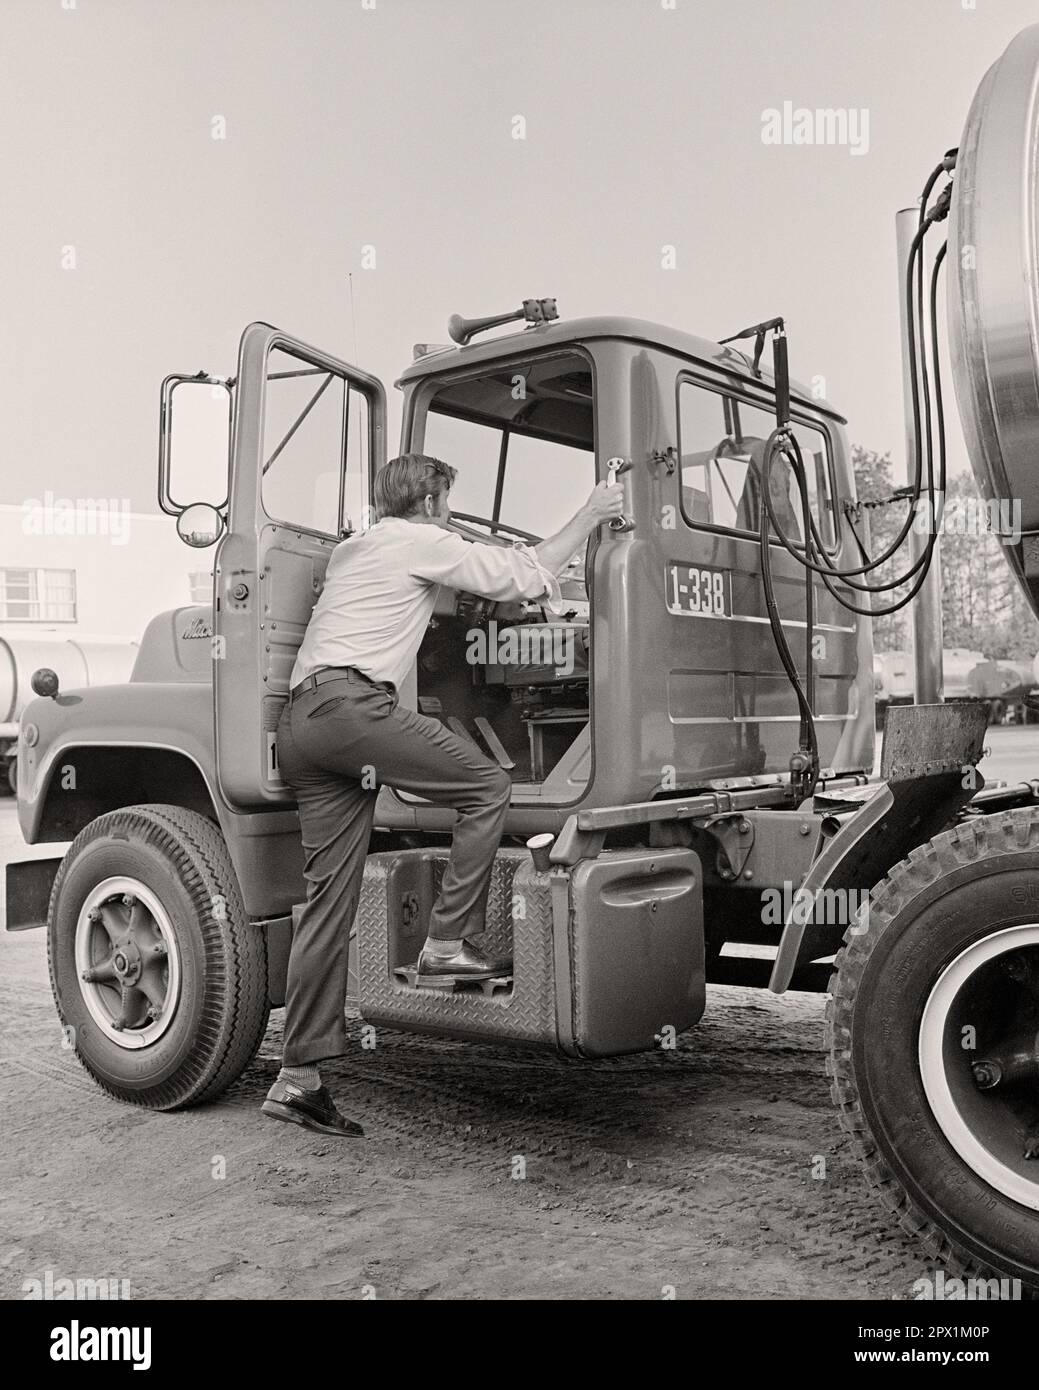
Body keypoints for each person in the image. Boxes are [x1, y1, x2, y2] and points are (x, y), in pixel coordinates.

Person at [261, 453, 625, 1136]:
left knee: (326, 904)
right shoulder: (422, 540)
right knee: (487, 784)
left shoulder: (356, 550)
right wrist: (593, 513)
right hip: (350, 711)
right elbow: (526, 576)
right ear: (429, 502)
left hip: (303, 725)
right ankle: (445, 943)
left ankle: (297, 1078)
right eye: (448, 502)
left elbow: (442, 593)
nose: (450, 514)